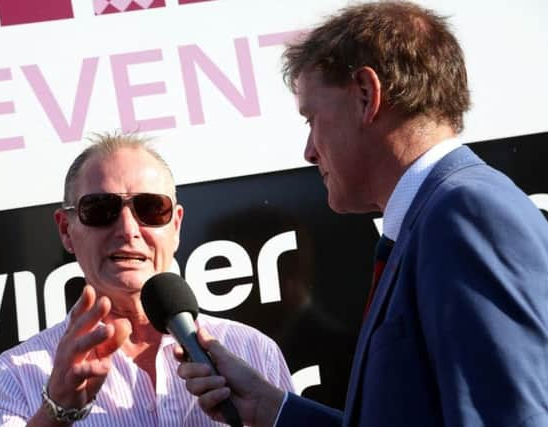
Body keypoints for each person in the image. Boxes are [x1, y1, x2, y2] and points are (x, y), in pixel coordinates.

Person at [176, 1, 548, 426]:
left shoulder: (467, 213)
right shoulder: (431, 219)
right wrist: (270, 408)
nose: (309, 151)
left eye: (311, 119)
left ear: (366, 96)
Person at [0, 133, 294, 426]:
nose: (127, 229)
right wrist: (55, 414)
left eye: (151, 208)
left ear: (176, 226)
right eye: (100, 209)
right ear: (66, 230)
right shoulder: (12, 378)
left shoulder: (253, 353)